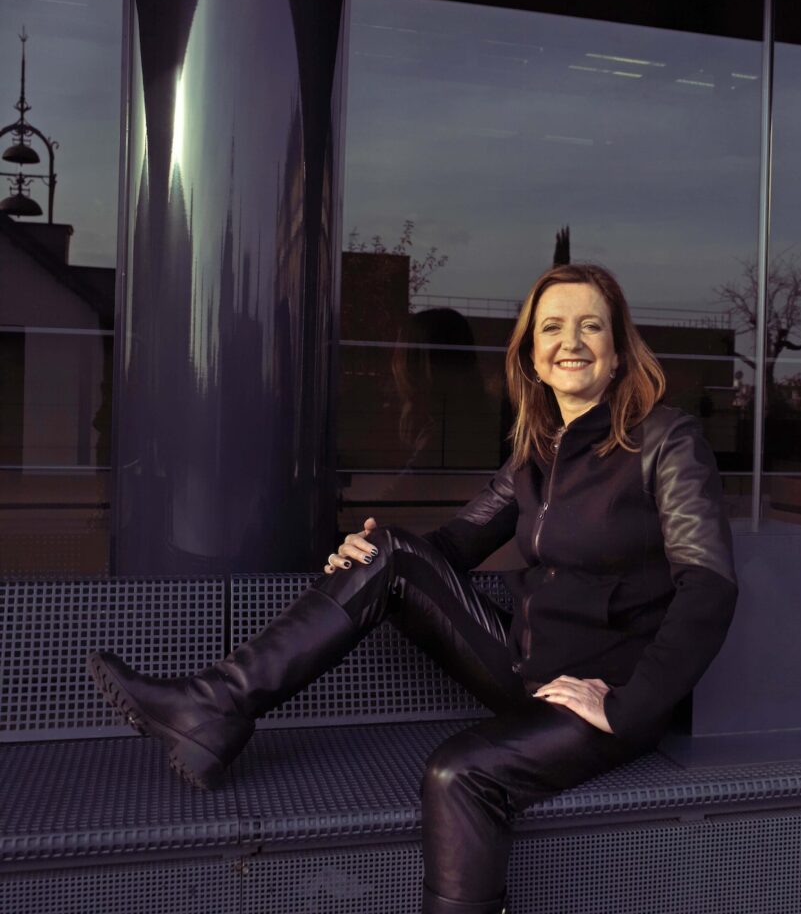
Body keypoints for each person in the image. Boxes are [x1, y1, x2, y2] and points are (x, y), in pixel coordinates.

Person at [88, 262, 739, 914]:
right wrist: (366, 556)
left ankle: (211, 712)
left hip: (603, 695)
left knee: (458, 775)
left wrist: (628, 705)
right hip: (526, 664)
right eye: (552, 328)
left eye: (591, 326)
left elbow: (708, 585)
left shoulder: (666, 440)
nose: (571, 341)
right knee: (388, 551)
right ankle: (216, 705)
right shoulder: (535, 454)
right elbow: (451, 549)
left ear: (619, 352)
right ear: (531, 358)